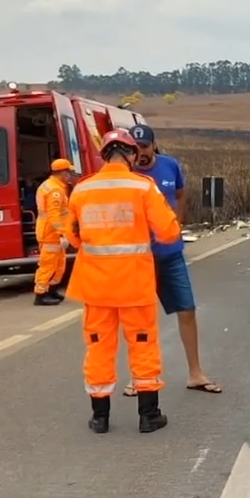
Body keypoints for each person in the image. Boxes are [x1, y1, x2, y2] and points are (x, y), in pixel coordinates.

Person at [62, 129, 182, 435]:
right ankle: (148, 415)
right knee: (143, 346)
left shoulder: (82, 190)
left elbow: (72, 235)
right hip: (134, 284)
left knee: (99, 348)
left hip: (96, 287)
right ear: (130, 155)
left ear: (104, 155)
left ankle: (100, 417)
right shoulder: (143, 187)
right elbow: (169, 232)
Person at [125, 124, 223, 395]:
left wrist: (176, 224)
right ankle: (138, 377)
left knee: (187, 309)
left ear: (153, 145)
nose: (139, 154)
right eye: (134, 149)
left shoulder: (170, 166)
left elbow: (180, 194)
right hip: (139, 258)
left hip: (170, 254)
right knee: (140, 320)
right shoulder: (127, 175)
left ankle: (195, 373)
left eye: (143, 147)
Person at [32, 159, 75, 306]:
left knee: (59, 263)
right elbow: (54, 214)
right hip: (51, 233)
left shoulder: (51, 186)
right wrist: (62, 232)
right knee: (48, 264)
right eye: (68, 172)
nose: (69, 175)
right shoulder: (55, 190)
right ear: (62, 172)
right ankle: (41, 294)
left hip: (51, 232)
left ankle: (51, 289)